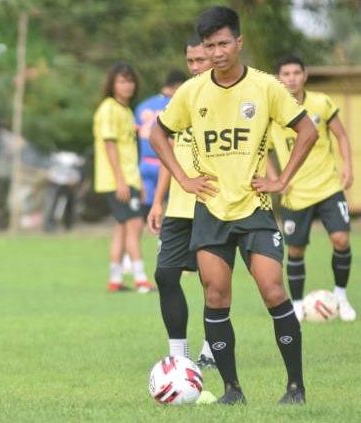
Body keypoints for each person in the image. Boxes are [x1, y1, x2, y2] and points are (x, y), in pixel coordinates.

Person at [150, 6, 318, 405]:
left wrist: (282, 179)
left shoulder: (265, 87)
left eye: (224, 43)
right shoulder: (192, 91)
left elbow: (307, 129)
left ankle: (295, 387)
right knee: (215, 296)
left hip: (255, 208)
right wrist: (183, 178)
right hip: (210, 210)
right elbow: (159, 134)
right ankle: (232, 391)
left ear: (238, 42)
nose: (217, 52)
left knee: (273, 290)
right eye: (210, 46)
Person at [267, 54, 356, 322]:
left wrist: (348, 166)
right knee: (296, 250)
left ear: (304, 75)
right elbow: (264, 153)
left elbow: (341, 135)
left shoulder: (321, 102)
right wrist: (277, 181)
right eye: (286, 73)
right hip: (296, 193)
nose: (292, 78)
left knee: (341, 239)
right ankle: (296, 304)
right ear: (278, 79)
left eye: (296, 72)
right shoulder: (272, 113)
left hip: (328, 186)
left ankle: (340, 296)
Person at [147, 34, 216, 369]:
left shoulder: (228, 99)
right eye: (190, 61)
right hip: (178, 205)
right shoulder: (180, 100)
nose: (194, 67)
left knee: (213, 280)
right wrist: (158, 201)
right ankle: (179, 353)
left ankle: (212, 349)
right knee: (165, 275)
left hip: (214, 205)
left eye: (199, 60)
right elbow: (168, 151)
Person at [93, 62, 154, 294]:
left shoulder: (126, 111)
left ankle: (115, 280)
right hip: (118, 180)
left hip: (130, 178)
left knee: (122, 227)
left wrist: (136, 181)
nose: (127, 85)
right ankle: (140, 280)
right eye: (121, 81)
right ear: (112, 84)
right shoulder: (108, 108)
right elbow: (110, 146)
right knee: (135, 225)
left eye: (130, 81)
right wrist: (121, 181)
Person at [135, 69, 188, 218]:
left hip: (144, 163)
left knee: (147, 209)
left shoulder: (142, 106)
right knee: (171, 209)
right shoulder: (176, 104)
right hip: (167, 162)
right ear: (178, 86)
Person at [43, 151, 84, 232]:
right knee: (51, 205)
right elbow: (49, 169)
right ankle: (49, 227)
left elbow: (80, 171)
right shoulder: (54, 155)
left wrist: (75, 180)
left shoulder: (75, 157)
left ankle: (68, 226)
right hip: (55, 182)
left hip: (70, 184)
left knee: (70, 206)